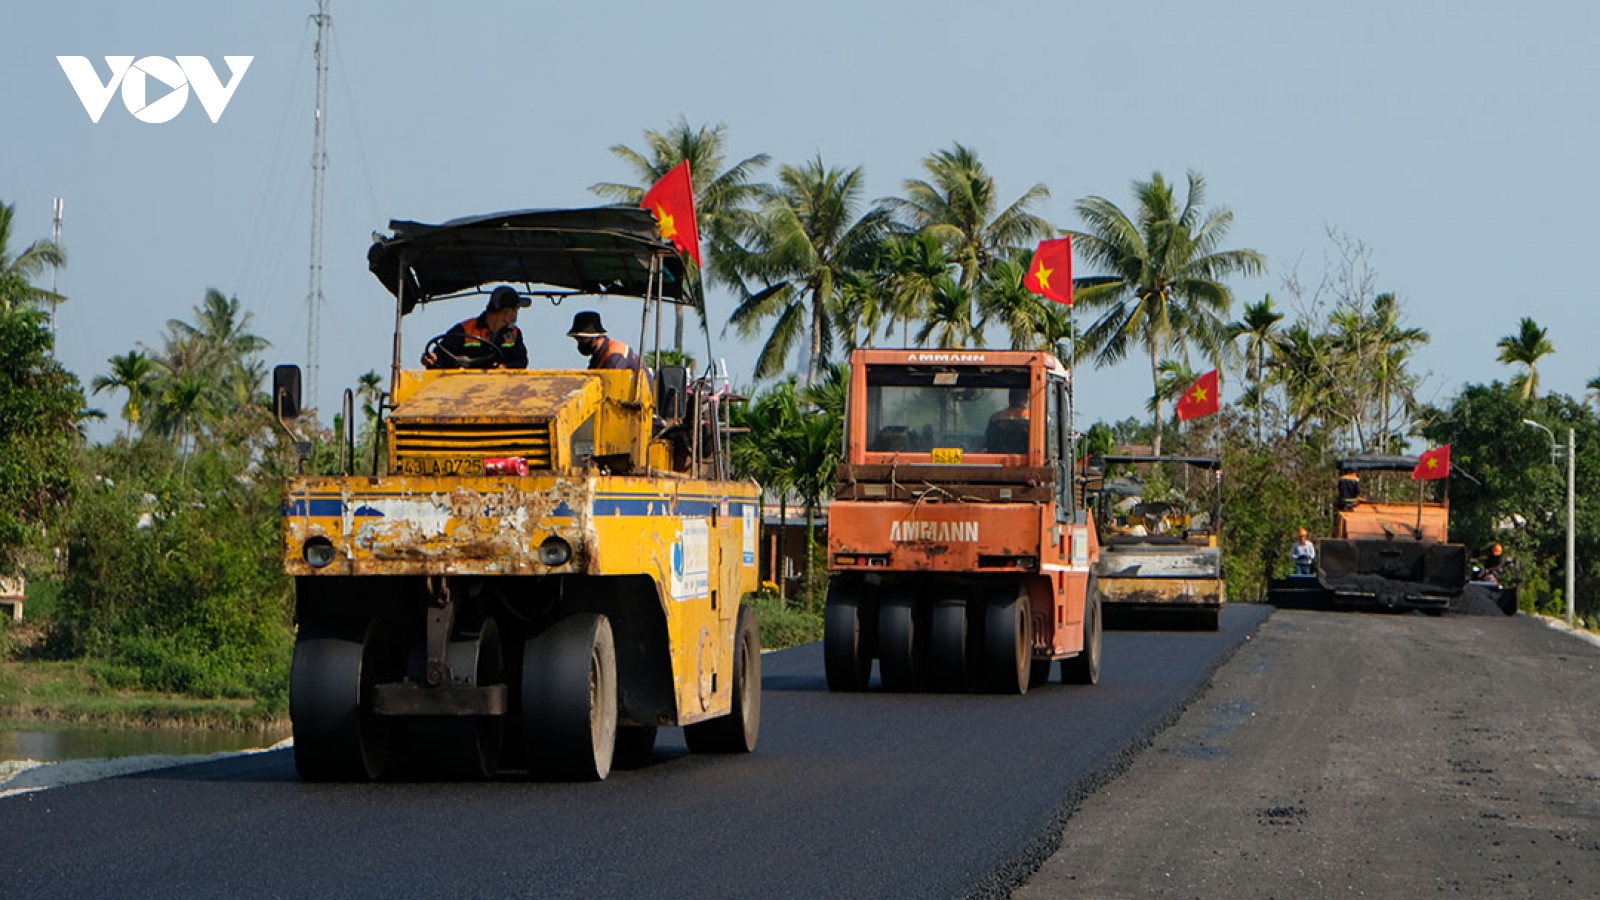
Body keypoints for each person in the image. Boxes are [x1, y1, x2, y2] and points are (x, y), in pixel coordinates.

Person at [421, 285, 529, 369]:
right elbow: (441, 355)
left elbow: (521, 361)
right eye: (516, 310)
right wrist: (432, 359)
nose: (516, 314)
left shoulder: (514, 334)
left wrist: (504, 367)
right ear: (507, 312)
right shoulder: (465, 329)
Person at [567, 310, 641, 371]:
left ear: (596, 337)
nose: (580, 343)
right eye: (577, 339)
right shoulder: (598, 357)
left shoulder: (615, 356)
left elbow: (611, 382)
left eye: (583, 339)